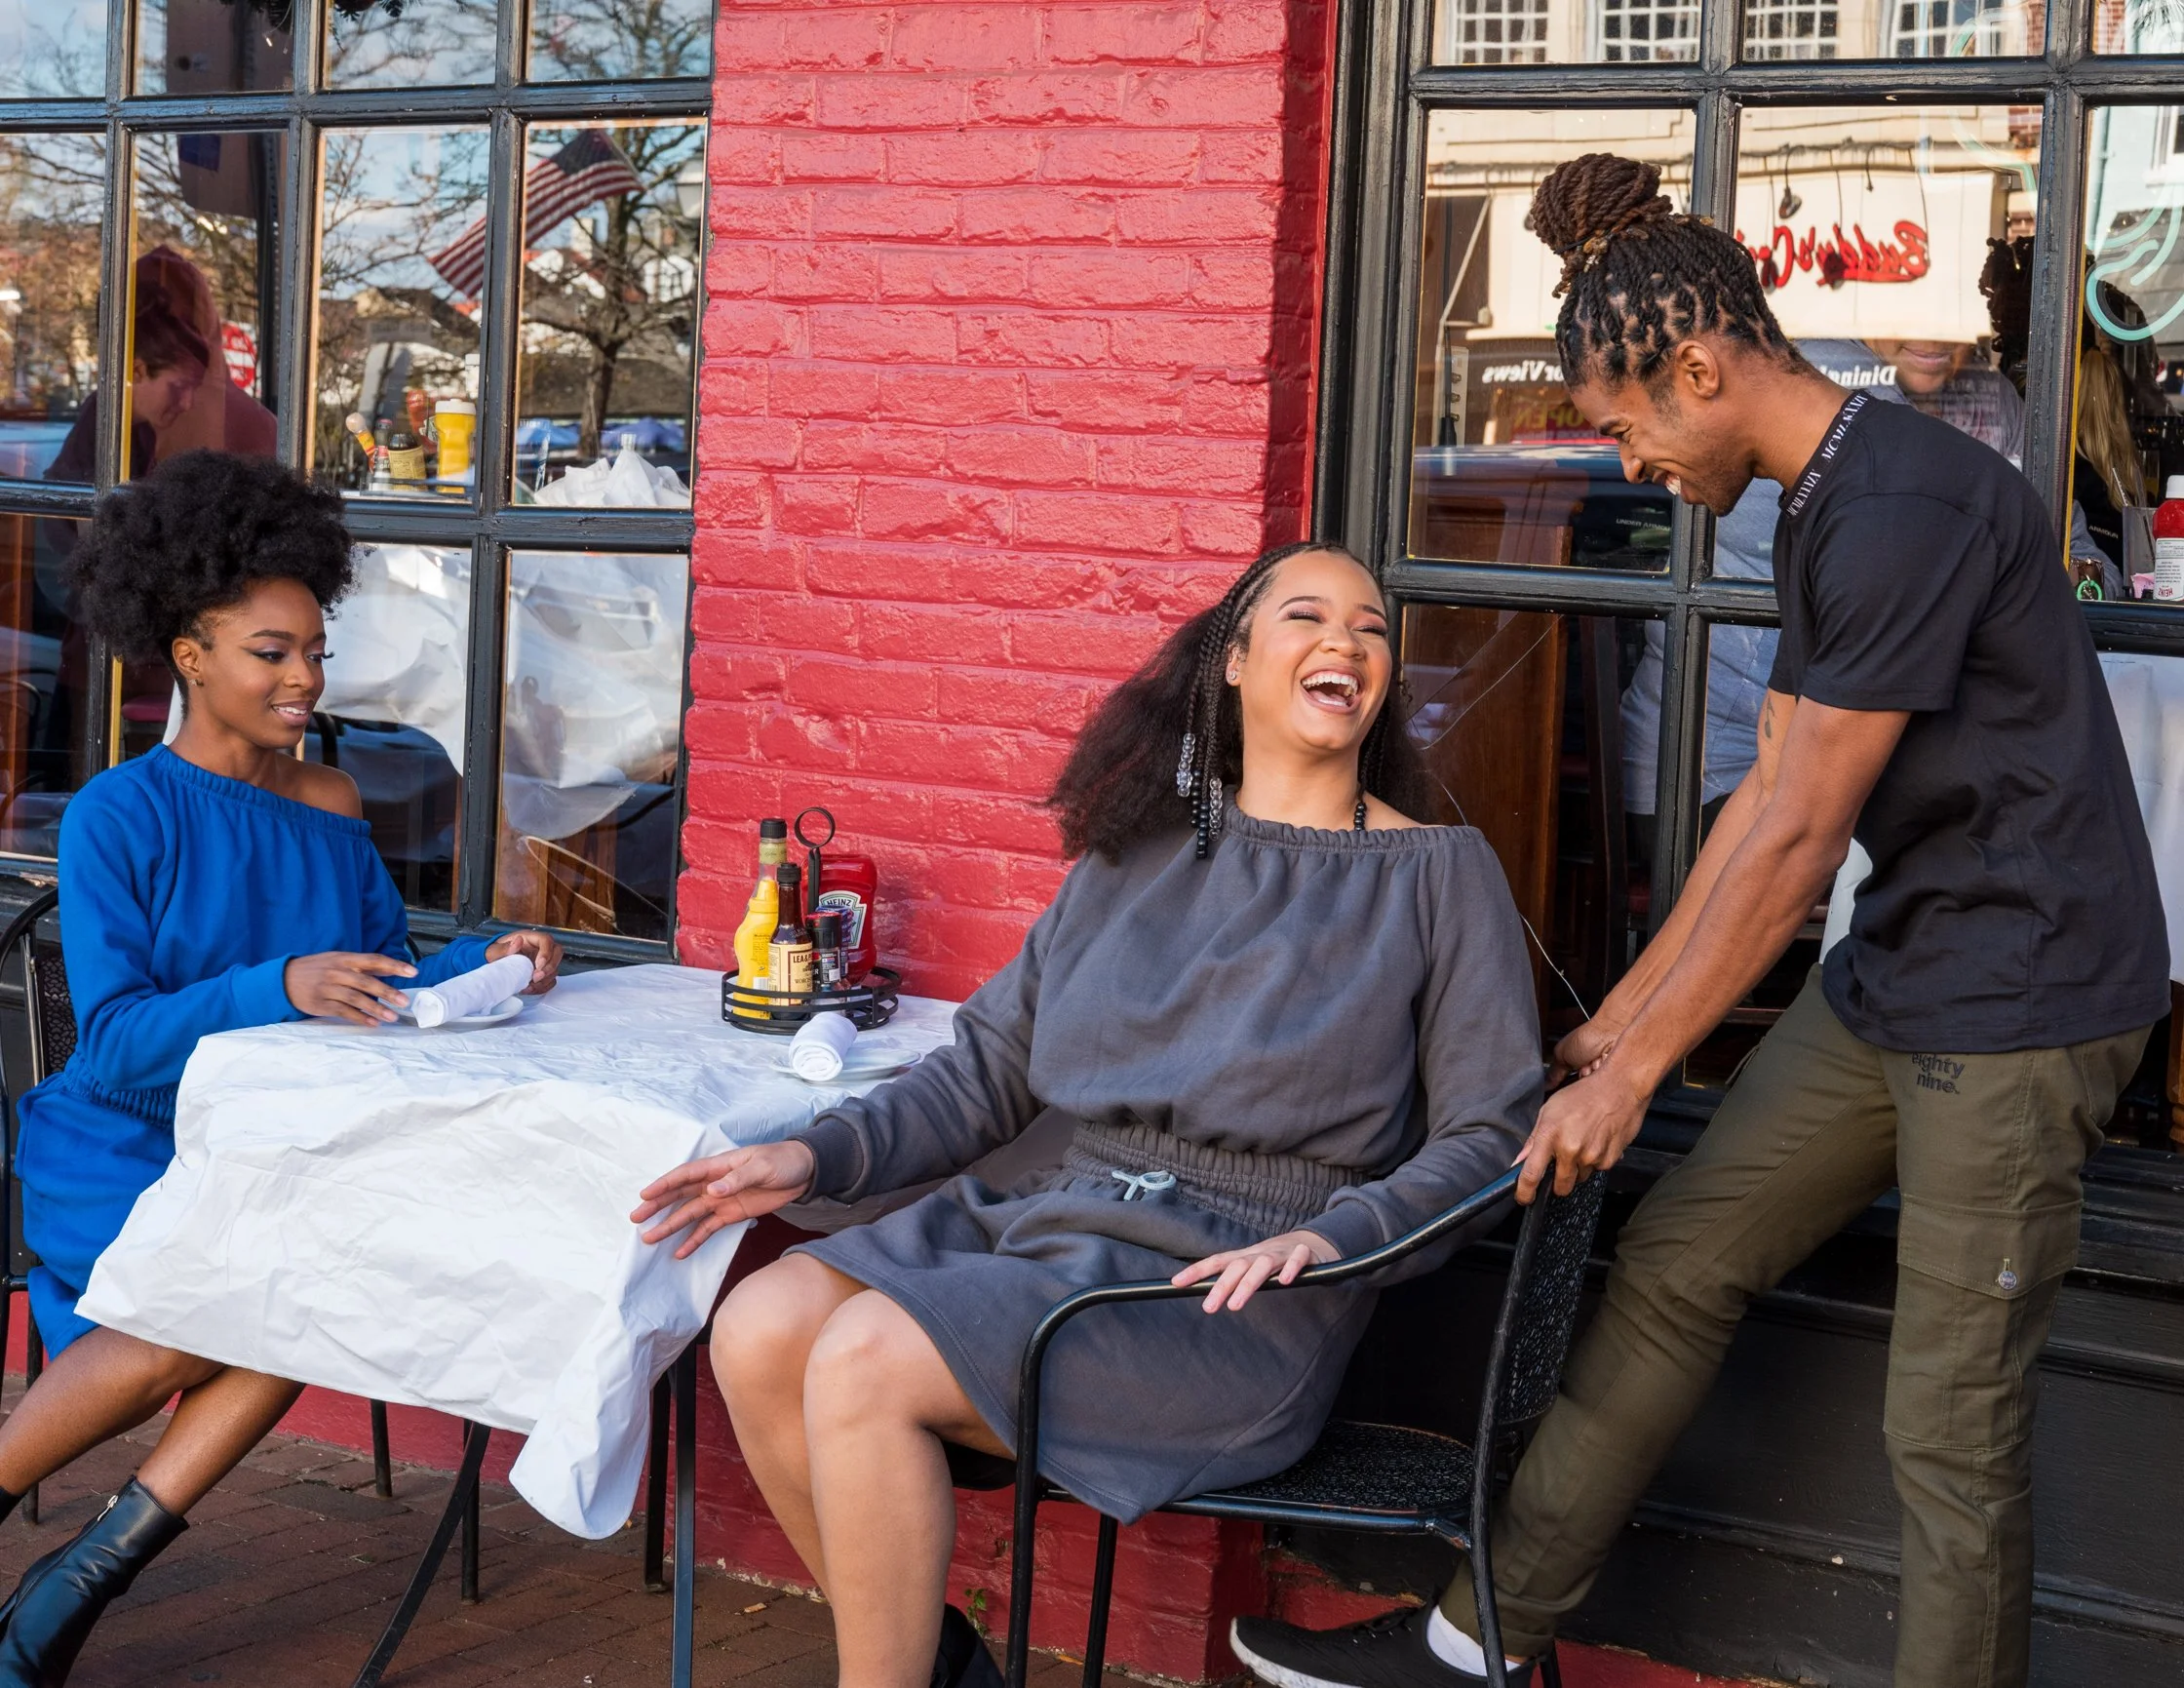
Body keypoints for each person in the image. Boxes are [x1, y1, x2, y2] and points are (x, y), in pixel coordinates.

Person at [1231, 153, 2166, 1688]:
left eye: (1625, 426)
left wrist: (1633, 1071)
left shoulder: (1906, 505)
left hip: (2030, 1004)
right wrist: (1619, 1012)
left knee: (1948, 1429)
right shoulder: (1827, 502)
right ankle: (1481, 1637)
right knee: (1674, 1257)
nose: (1633, 462)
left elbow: (1800, 844)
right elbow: (1761, 801)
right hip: (1905, 975)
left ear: (1698, 364)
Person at [633, 541, 1545, 1688]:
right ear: (1232, 662)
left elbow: (1487, 1136)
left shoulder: (1437, 875)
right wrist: (811, 1157)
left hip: (1236, 1289)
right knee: (759, 1328)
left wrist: (1337, 1236)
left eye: (1369, 628)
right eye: (1307, 617)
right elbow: (986, 1071)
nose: (1346, 644)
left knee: (863, 1359)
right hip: (1057, 1222)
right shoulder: (1137, 851)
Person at [0, 451, 566, 1685]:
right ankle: (45, 1579)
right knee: (199, 1317)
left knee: (304, 1293)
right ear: (190, 654)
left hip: (275, 1151)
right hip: (130, 1141)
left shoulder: (330, 800)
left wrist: (488, 956)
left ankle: (79, 1578)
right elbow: (115, 1041)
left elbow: (374, 974)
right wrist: (278, 985)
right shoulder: (117, 815)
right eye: (272, 652)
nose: (306, 678)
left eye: (316, 648)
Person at [43, 248, 214, 486]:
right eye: (178, 386)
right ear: (137, 371)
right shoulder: (101, 443)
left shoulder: (135, 431)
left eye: (192, 388)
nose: (187, 402)